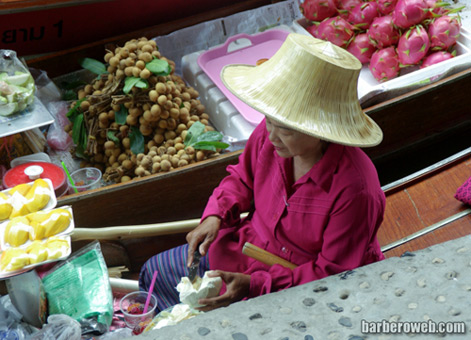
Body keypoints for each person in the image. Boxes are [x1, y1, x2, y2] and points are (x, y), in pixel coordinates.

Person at [139, 33, 386, 313]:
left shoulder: (356, 190)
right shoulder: (271, 135)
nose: (272, 135)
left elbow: (332, 274)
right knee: (153, 273)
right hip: (244, 251)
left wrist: (255, 285)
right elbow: (241, 180)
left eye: (286, 130)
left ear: (321, 129)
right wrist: (214, 215)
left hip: (302, 283)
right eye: (268, 121)